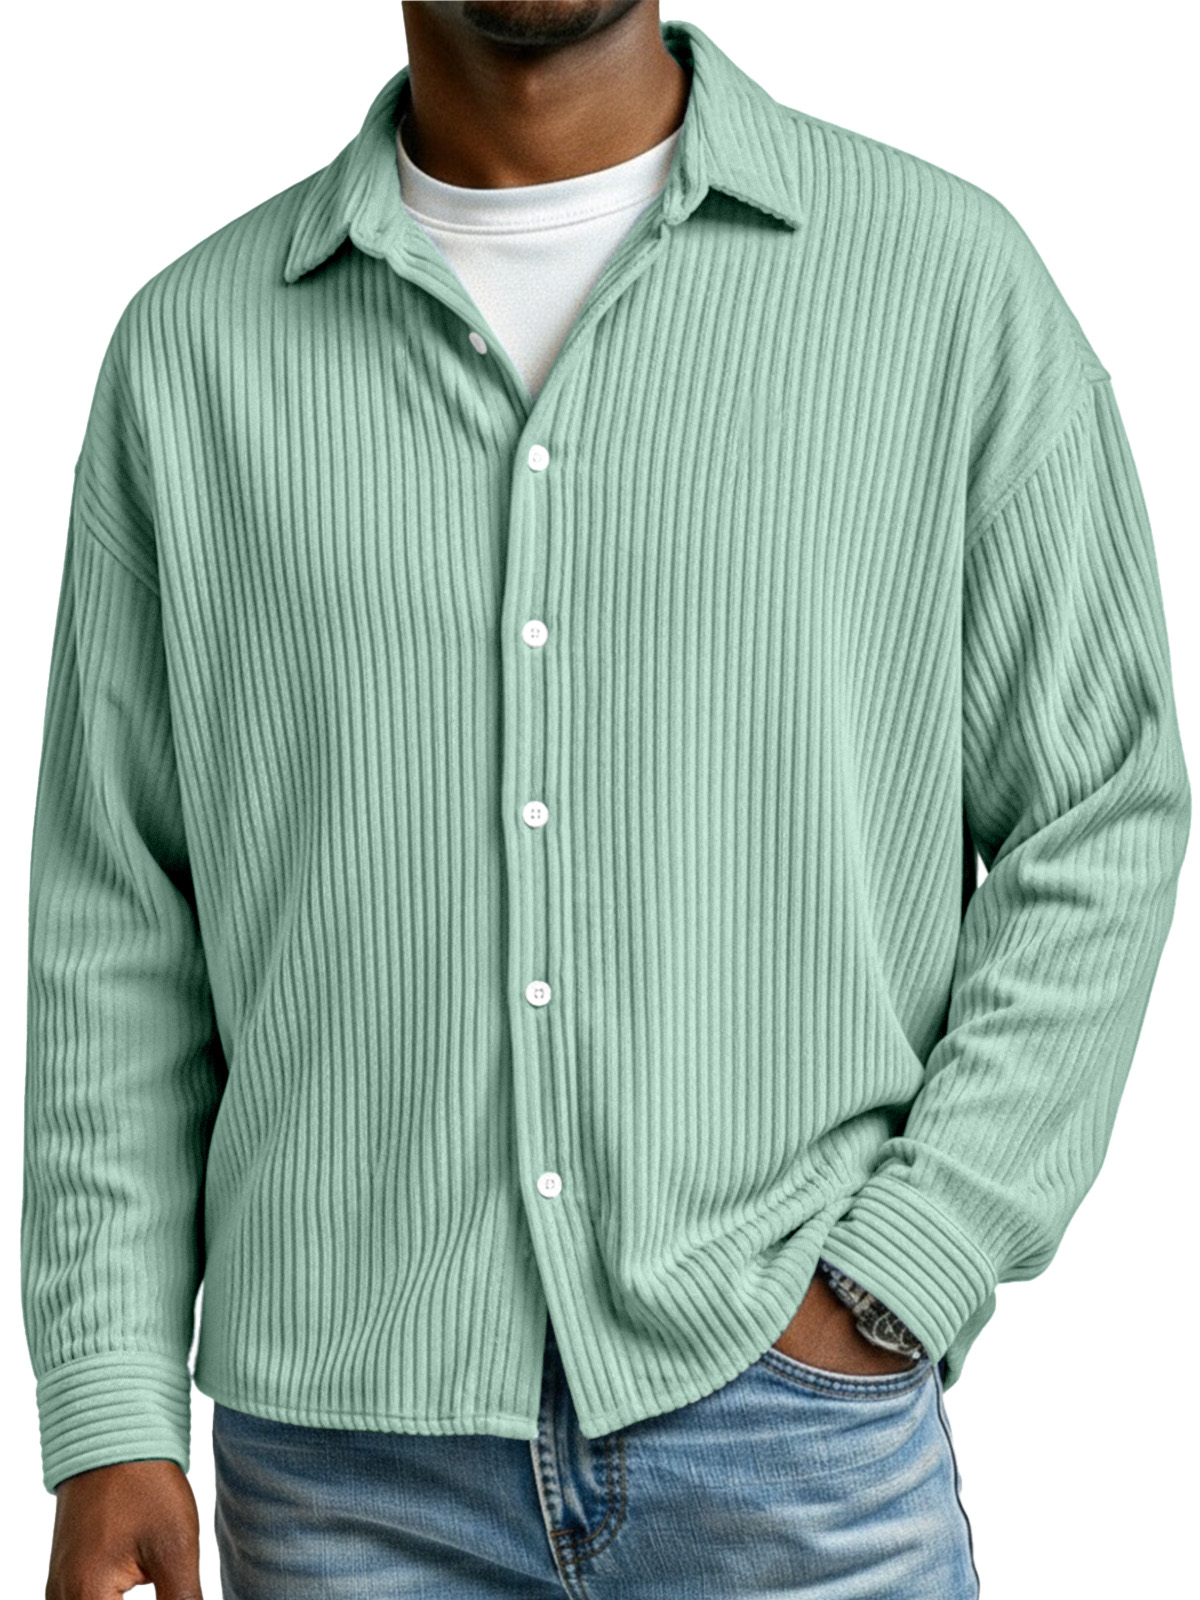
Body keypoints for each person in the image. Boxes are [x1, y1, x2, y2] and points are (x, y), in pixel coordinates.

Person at [22, 3, 1190, 1596]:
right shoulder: (193, 354)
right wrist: (108, 1401)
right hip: (346, 1471)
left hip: (793, 1440)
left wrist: (909, 1264)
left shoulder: (946, 288)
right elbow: (119, 918)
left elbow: (1100, 809)